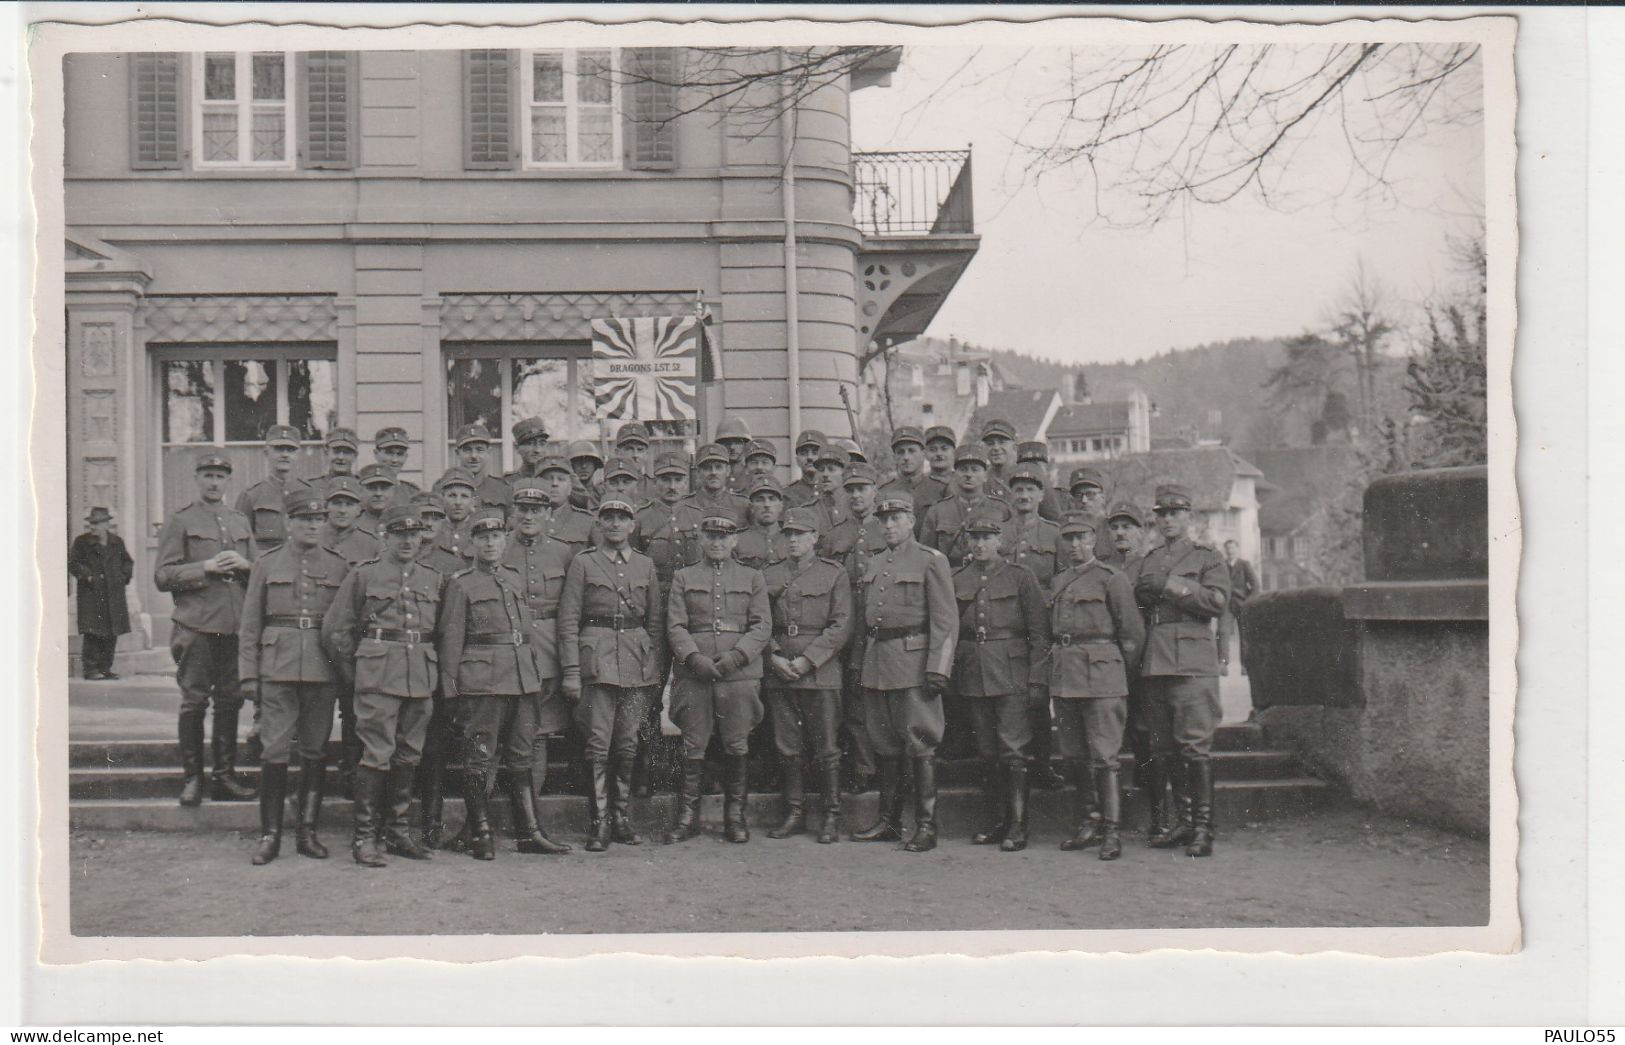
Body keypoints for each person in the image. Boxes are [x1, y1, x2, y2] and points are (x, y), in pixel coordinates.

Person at [321, 504, 445, 868]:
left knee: (409, 753)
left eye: (413, 534)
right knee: (376, 752)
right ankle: (365, 836)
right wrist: (355, 671)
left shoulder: (433, 577)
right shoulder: (364, 576)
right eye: (399, 534)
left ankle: (398, 831)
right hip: (377, 673)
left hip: (419, 674)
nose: (407, 541)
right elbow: (335, 629)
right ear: (384, 536)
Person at [438, 508, 563, 861]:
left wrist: (536, 674)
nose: (490, 543)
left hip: (522, 679)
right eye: (483, 538)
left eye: (496, 537)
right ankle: (480, 833)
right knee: (479, 757)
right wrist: (451, 690)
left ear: (505, 540)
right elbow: (451, 640)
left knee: (522, 755)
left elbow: (525, 634)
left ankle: (530, 833)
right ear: (471, 543)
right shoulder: (461, 584)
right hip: (483, 683)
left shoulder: (514, 578)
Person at [237, 491, 351, 865]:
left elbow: (345, 625)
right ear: (289, 523)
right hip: (277, 667)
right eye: (304, 520)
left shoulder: (338, 566)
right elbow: (250, 624)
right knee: (274, 750)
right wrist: (248, 676)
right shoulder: (267, 564)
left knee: (316, 750)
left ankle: (307, 832)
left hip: (322, 668)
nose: (313, 525)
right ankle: (270, 835)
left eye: (319, 520)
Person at [849, 493, 957, 852]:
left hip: (913, 664)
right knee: (885, 746)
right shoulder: (876, 563)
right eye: (885, 520)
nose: (890, 525)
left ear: (912, 520)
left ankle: (927, 826)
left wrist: (938, 669)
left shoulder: (930, 561)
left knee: (921, 742)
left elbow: (945, 620)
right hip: (878, 663)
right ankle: (889, 822)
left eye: (897, 518)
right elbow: (867, 623)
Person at [558, 499, 665, 852]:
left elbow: (653, 622)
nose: (616, 524)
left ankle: (621, 817)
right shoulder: (584, 563)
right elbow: (569, 620)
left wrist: (654, 668)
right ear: (600, 525)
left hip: (637, 663)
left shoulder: (646, 565)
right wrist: (572, 672)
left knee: (628, 744)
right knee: (598, 744)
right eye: (609, 519)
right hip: (597, 663)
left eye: (623, 518)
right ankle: (599, 821)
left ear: (633, 525)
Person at [154, 450, 257, 806]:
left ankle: (224, 777)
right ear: (197, 479)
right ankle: (193, 779)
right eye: (208, 475)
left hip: (233, 626)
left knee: (230, 702)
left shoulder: (240, 521)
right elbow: (163, 576)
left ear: (229, 481)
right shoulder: (180, 521)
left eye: (220, 476)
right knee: (194, 702)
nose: (214, 482)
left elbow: (258, 572)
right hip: (196, 625)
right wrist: (205, 567)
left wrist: (245, 563)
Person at [1133, 483, 1230, 858]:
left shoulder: (1208, 558)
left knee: (1195, 746)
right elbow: (1140, 601)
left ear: (1189, 516)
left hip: (1192, 661)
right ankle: (1184, 822)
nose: (1168, 520)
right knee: (1165, 748)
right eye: (1162, 514)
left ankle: (1204, 828)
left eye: (1175, 513)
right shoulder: (1150, 558)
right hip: (1156, 661)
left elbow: (1216, 602)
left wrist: (1172, 585)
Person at [665, 514, 772, 844]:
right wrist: (694, 658)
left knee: (736, 742)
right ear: (701, 539)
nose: (717, 542)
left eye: (724, 537)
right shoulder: (683, 577)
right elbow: (675, 625)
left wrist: (736, 657)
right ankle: (687, 816)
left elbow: (761, 626)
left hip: (738, 674)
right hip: (694, 673)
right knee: (693, 743)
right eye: (711, 536)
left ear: (735, 541)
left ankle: (734, 815)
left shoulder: (753, 577)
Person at [1047, 512, 1145, 861]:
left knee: (1105, 756)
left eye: (1082, 538)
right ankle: (1089, 820)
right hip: (1066, 676)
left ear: (1094, 540)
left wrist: (1118, 675)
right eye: (1069, 538)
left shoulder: (1111, 579)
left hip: (1103, 676)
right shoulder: (1058, 582)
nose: (1075, 545)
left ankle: (1112, 830)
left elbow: (1132, 635)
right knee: (1074, 755)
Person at [953, 507, 1049, 852]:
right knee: (986, 751)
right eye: (974, 538)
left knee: (1013, 750)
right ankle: (998, 821)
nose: (980, 544)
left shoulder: (1020, 577)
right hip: (973, 672)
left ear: (1000, 540)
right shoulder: (958, 578)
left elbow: (1039, 633)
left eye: (987, 538)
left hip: (1011, 673)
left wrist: (1038, 679)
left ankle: (1018, 826)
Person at [761, 507, 853, 842]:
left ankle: (831, 814)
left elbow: (841, 624)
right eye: (789, 534)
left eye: (801, 534)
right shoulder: (769, 574)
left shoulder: (833, 573)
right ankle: (795, 811)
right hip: (779, 670)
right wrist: (773, 656)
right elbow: (758, 620)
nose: (794, 540)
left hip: (820, 672)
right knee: (788, 746)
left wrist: (807, 661)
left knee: (827, 746)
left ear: (815, 538)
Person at [500, 477, 580, 849]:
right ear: (513, 513)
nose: (529, 516)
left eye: (537, 510)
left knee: (539, 734)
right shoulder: (498, 549)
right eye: (523, 510)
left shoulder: (565, 553)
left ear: (549, 514)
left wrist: (567, 660)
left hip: (547, 651)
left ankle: (531, 822)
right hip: (506, 650)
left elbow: (569, 612)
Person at [631, 452, 705, 795]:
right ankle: (647, 768)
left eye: (677, 479)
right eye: (664, 479)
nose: (672, 485)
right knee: (650, 690)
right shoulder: (641, 518)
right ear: (654, 482)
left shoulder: (699, 516)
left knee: (696, 690)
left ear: (686, 482)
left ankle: (701, 769)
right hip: (654, 614)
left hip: (693, 614)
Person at [999, 463, 1070, 792]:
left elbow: (1065, 580)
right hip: (1007, 625)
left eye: (1030, 489)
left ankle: (1042, 764)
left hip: (1042, 627)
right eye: (1018, 490)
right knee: (1010, 695)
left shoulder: (1055, 534)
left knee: (1039, 694)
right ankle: (1015, 763)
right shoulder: (999, 532)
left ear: (1042, 495)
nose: (1024, 495)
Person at [821, 461, 886, 792]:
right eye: (851, 490)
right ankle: (863, 768)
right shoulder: (836, 535)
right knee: (853, 700)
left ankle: (889, 766)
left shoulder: (887, 529)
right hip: (847, 625)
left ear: (875, 491)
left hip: (882, 624)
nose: (857, 495)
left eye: (863, 488)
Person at [919, 443, 1012, 570]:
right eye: (963, 469)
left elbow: (1008, 552)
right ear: (955, 474)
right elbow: (926, 556)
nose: (968, 474)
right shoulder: (938, 511)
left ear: (985, 475)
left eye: (975, 469)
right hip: (949, 581)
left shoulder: (1001, 509)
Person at [70, 506, 133, 681]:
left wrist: (123, 577)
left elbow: (128, 562)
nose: (93, 527)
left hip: (113, 593)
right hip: (92, 594)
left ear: (107, 524)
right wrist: (88, 576)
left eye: (97, 523)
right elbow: (73, 563)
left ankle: (106, 668)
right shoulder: (81, 542)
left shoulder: (117, 542)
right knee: (93, 631)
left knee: (112, 631)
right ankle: (90, 670)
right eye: (91, 523)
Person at [235, 424, 311, 554]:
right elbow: (241, 540)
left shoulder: (309, 493)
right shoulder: (251, 495)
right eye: (279, 449)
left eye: (290, 449)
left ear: (298, 454)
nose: (285, 454)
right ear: (266, 452)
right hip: (266, 568)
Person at [878, 425, 950, 530]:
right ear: (895, 458)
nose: (906, 457)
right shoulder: (884, 491)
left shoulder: (941, 489)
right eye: (901, 452)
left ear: (923, 454)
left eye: (911, 451)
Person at [446, 423, 513, 516]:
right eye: (468, 450)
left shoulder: (503, 490)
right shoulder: (443, 488)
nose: (474, 456)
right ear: (457, 453)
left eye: (480, 450)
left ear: (488, 452)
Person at [682, 442, 752, 525]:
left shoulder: (743, 505)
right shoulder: (684, 505)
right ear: (698, 472)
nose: (713, 472)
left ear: (728, 470)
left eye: (718, 467)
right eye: (707, 468)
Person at [1219, 539, 1260, 675]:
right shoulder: (1221, 565)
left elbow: (1255, 586)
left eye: (1233, 548)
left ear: (1237, 549)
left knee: (1245, 634)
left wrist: (1250, 602)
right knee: (1222, 632)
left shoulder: (1244, 565)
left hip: (1243, 604)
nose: (1230, 551)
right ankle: (1223, 664)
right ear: (1225, 550)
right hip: (1226, 605)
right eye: (1228, 548)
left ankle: (1245, 666)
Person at [319, 476, 381, 566]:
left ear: (359, 509)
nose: (342, 510)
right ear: (326, 506)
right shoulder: (313, 537)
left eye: (349, 504)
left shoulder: (373, 543)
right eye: (337, 503)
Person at [735, 475, 790, 571]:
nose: (767, 505)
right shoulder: (737, 540)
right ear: (751, 507)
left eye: (772, 499)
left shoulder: (790, 537)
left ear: (781, 506)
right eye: (760, 499)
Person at [1066, 466, 1118, 562]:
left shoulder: (1113, 529)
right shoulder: (1066, 534)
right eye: (1078, 495)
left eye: (1090, 494)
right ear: (1072, 500)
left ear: (1102, 498)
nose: (1084, 500)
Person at [431, 470, 480, 563]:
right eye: (452, 495)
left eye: (464, 496)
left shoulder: (479, 531)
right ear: (442, 500)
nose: (458, 502)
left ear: (472, 502)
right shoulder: (433, 530)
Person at [1014, 441, 1067, 522]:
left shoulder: (1046, 487)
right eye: (1026, 464)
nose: (1030, 469)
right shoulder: (1014, 484)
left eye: (1036, 465)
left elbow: (1054, 518)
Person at [806, 443, 852, 537]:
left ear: (845, 473)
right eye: (821, 470)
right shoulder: (809, 510)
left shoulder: (856, 505)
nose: (825, 474)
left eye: (831, 469)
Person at [306, 427, 360, 501]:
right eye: (336, 451)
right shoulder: (312, 487)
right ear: (326, 452)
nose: (341, 457)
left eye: (347, 452)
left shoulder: (363, 486)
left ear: (355, 456)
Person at [372, 426, 421, 505]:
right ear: (376, 453)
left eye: (400, 454)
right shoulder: (362, 489)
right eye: (389, 453)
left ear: (406, 457)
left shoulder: (412, 493)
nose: (395, 460)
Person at [613, 422, 656, 503]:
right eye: (629, 449)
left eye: (640, 450)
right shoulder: (605, 488)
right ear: (617, 453)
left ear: (646, 454)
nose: (635, 455)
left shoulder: (655, 487)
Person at [502, 418, 551, 485]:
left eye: (542, 443)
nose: (537, 450)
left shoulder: (554, 481)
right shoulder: (507, 482)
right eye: (530, 443)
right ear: (517, 448)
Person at [785, 430, 826, 507]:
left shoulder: (835, 492)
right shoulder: (788, 495)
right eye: (804, 453)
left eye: (815, 453)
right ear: (797, 460)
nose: (809, 457)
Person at [714, 416, 753, 495]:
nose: (732, 447)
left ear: (746, 444)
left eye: (737, 442)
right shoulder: (714, 473)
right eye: (727, 442)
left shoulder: (752, 472)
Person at [980, 419, 1017, 501]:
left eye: (1002, 442)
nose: (996, 448)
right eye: (990, 444)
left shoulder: (1028, 476)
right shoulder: (980, 480)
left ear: (1014, 446)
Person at [357, 463, 398, 533]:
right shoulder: (353, 525)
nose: (378, 493)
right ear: (361, 491)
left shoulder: (401, 522)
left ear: (393, 491)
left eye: (384, 488)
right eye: (372, 488)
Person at [567, 439, 605, 512]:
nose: (583, 466)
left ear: (595, 465)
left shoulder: (602, 493)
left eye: (588, 461)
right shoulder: (566, 495)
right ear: (571, 466)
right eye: (578, 461)